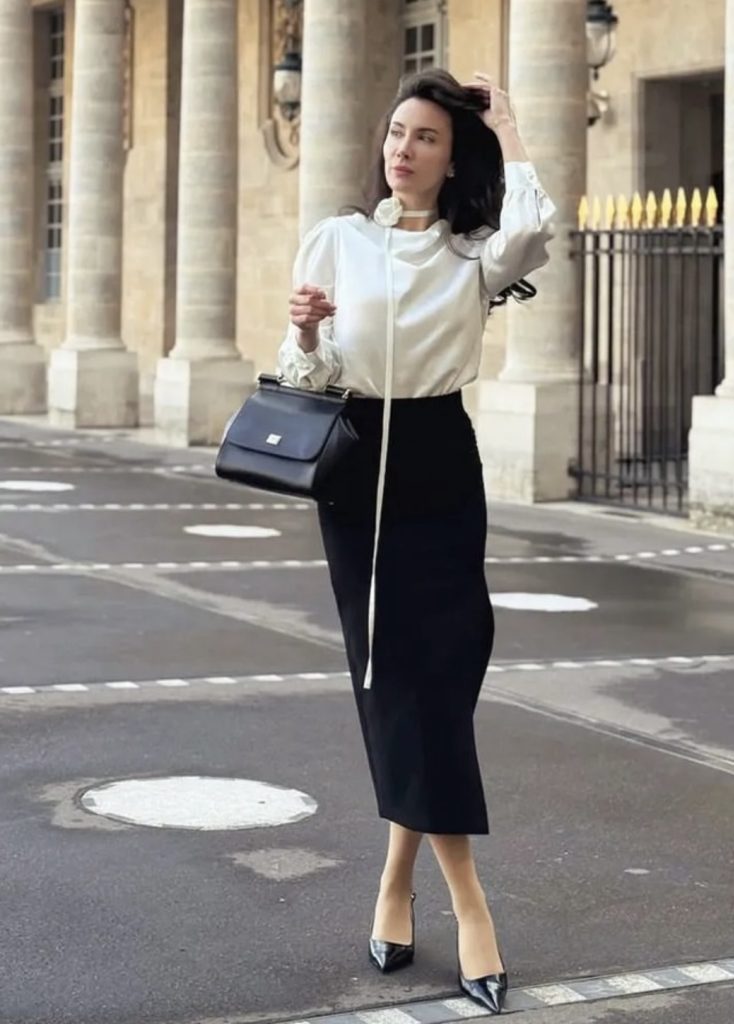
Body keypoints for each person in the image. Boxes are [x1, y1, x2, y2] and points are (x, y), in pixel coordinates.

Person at [278, 68, 555, 1014]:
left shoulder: (472, 253)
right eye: (397, 133)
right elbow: (298, 371)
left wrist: (507, 122)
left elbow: (536, 229)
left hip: (440, 460)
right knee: (393, 678)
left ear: (450, 157)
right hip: (356, 468)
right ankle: (466, 901)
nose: (404, 149)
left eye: (427, 137)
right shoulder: (336, 239)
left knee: (444, 671)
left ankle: (396, 878)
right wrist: (306, 334)